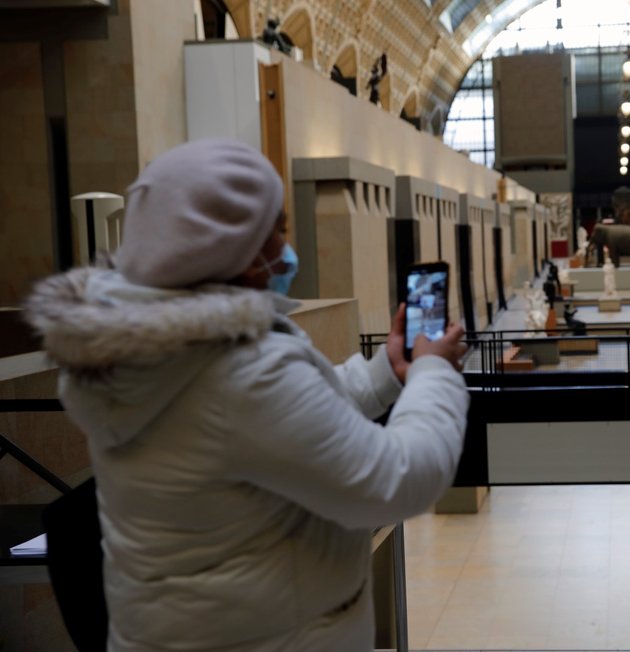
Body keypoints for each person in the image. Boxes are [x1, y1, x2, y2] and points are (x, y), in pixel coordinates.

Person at [23, 138, 470, 651]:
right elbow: (395, 480)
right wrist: (433, 373)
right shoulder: (240, 371)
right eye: (276, 228)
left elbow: (286, 424)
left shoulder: (153, 352)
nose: (286, 247)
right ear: (233, 244)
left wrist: (385, 374)